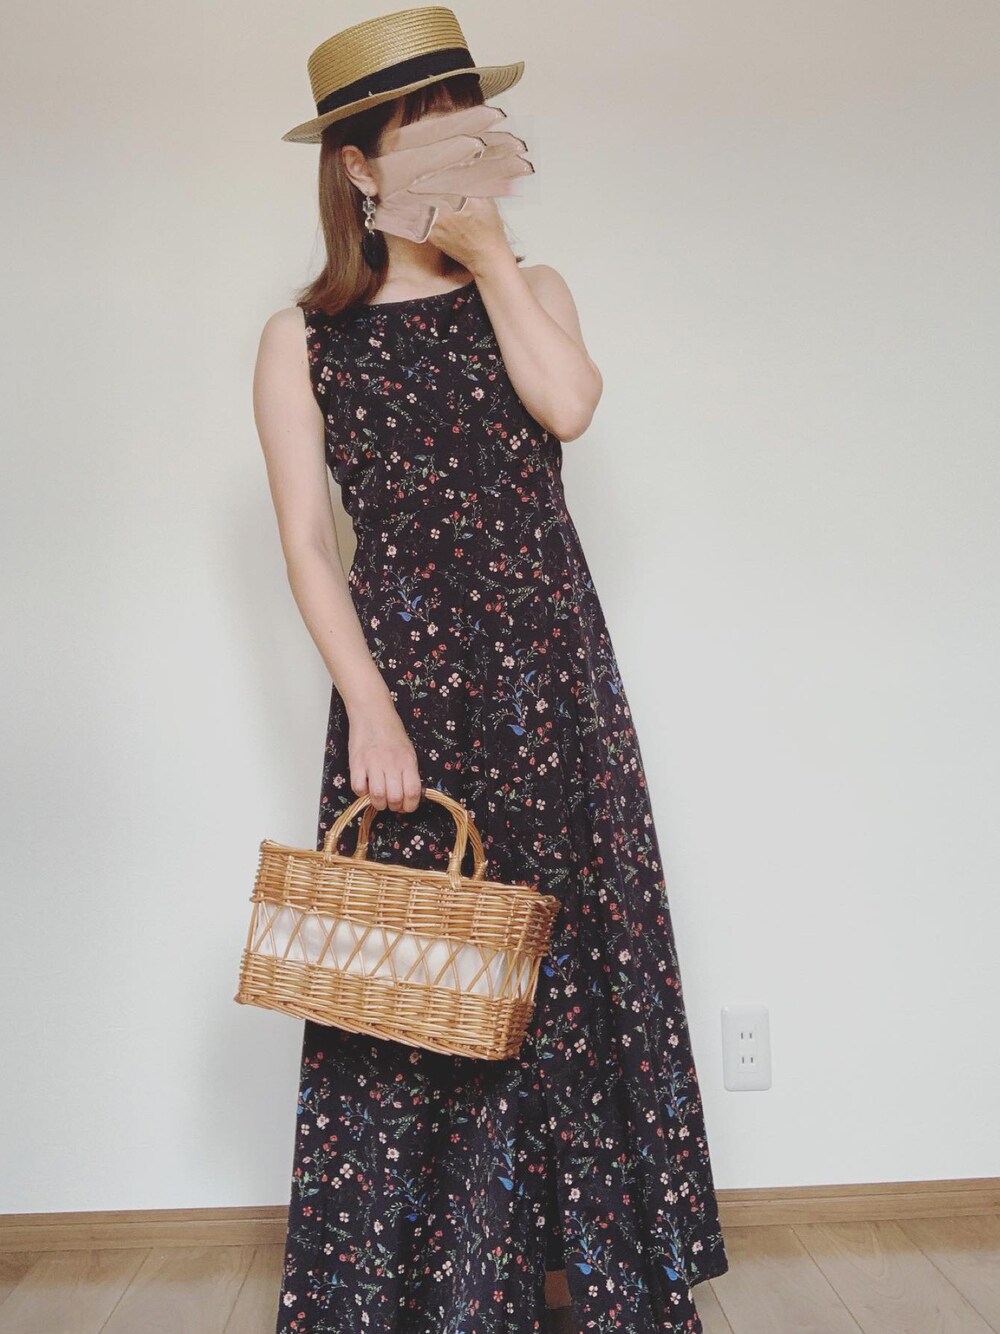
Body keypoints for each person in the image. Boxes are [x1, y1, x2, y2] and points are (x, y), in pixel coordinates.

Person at [253, 8, 729, 1332]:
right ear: (359, 168)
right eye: (422, 136)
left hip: (554, 683)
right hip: (408, 691)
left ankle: (595, 1282)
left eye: (468, 128)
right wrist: (369, 708)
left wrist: (493, 257)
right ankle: (432, 1297)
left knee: (574, 973)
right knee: (420, 986)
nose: (455, 156)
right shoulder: (302, 338)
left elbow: (568, 405)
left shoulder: (535, 287)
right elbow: (306, 545)